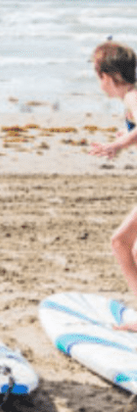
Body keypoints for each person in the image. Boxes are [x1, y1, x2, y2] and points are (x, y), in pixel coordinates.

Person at [89, 41, 137, 329]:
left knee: (120, 242)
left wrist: (119, 143)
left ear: (107, 76)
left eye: (98, 77)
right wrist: (127, 136)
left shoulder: (132, 98)